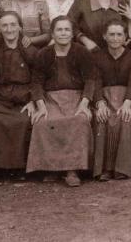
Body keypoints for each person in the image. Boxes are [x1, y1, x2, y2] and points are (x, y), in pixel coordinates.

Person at [27, 16, 95, 187]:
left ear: (72, 33)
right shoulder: (44, 54)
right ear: (52, 33)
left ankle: (72, 170)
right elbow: (36, 82)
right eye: (59, 30)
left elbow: (90, 80)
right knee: (43, 122)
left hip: (76, 97)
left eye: (66, 30)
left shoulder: (82, 52)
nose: (63, 33)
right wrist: (41, 106)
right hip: (51, 98)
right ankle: (51, 169)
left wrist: (84, 104)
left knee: (79, 121)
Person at [0, 11, 38, 172]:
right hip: (0, 99)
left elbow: (38, 79)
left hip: (24, 98)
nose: (9, 29)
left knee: (23, 121)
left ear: (20, 27)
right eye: (5, 26)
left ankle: (20, 169)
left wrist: (33, 101)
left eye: (13, 25)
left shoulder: (31, 51)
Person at [93, 20, 131, 180]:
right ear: (104, 36)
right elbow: (95, 82)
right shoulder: (96, 57)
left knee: (126, 118)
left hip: (127, 99)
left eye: (119, 34)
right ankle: (104, 169)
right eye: (111, 34)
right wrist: (100, 103)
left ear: (125, 37)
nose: (115, 38)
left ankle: (122, 168)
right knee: (102, 118)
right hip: (104, 98)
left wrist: (127, 103)